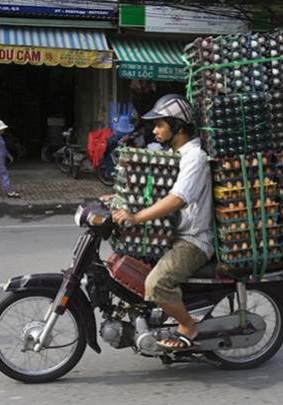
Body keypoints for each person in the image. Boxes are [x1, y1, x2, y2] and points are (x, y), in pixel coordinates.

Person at [112, 94, 213, 351]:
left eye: (160, 125)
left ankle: (188, 326)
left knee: (156, 284)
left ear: (177, 126)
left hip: (192, 240)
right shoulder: (174, 155)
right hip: (171, 234)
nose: (155, 130)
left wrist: (135, 218)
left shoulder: (195, 158)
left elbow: (177, 199)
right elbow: (154, 192)